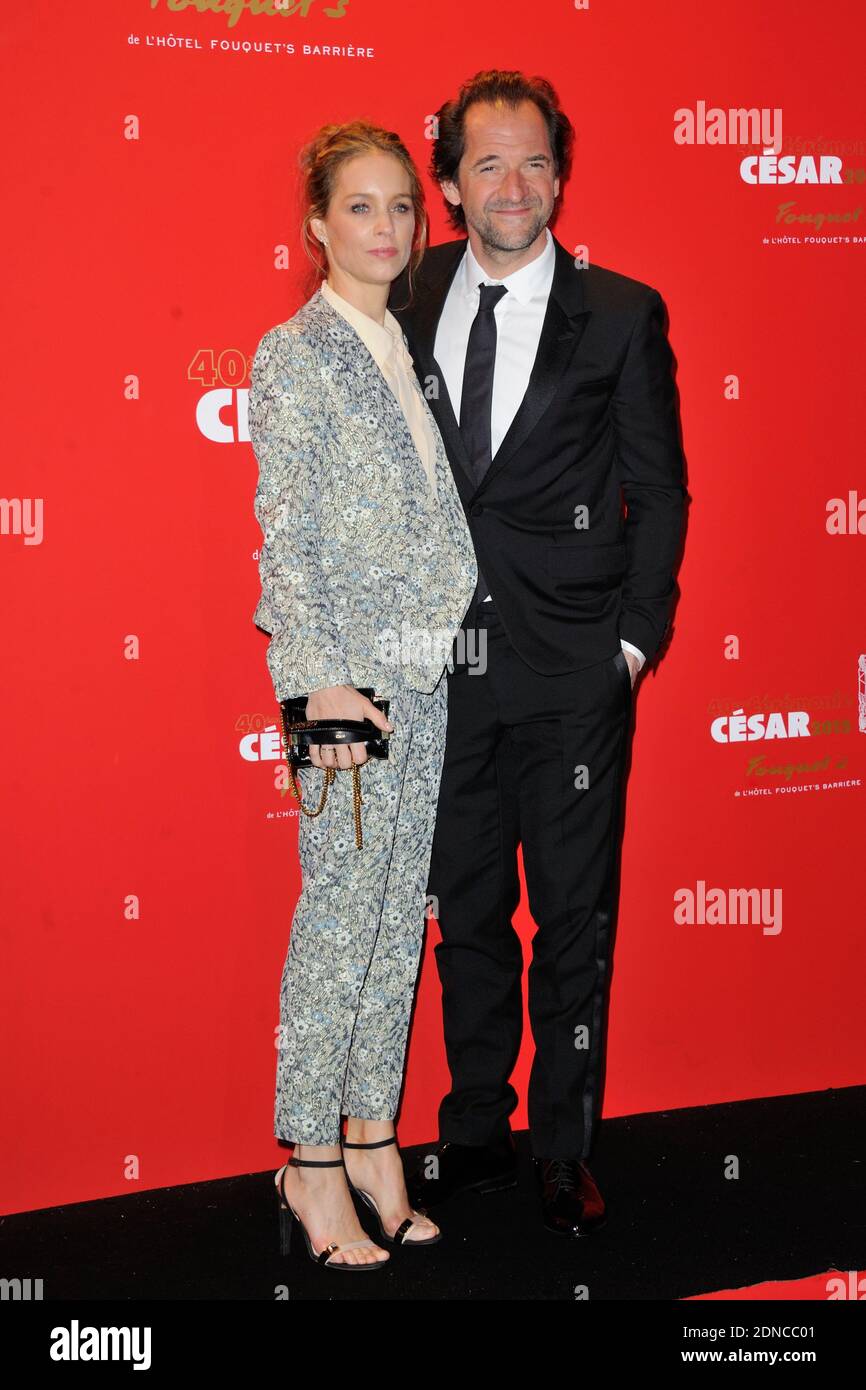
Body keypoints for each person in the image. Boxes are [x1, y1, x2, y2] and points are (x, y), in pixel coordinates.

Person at [388, 70, 688, 1236]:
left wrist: (630, 641)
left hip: (571, 671)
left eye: (533, 163)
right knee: (464, 913)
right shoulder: (402, 298)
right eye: (485, 164)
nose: (511, 185)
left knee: (569, 920)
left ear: (558, 174)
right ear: (449, 183)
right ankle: (472, 1130)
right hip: (440, 666)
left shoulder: (617, 310)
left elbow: (657, 490)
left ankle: (562, 1150)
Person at [248, 120, 478, 1270]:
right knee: (337, 927)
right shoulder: (297, 354)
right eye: (359, 207)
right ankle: (307, 1161)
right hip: (345, 684)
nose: (386, 227)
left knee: (395, 928)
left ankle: (375, 1137)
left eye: (401, 207)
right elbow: (284, 541)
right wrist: (317, 684)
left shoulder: (401, 345)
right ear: (316, 225)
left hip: (423, 674)